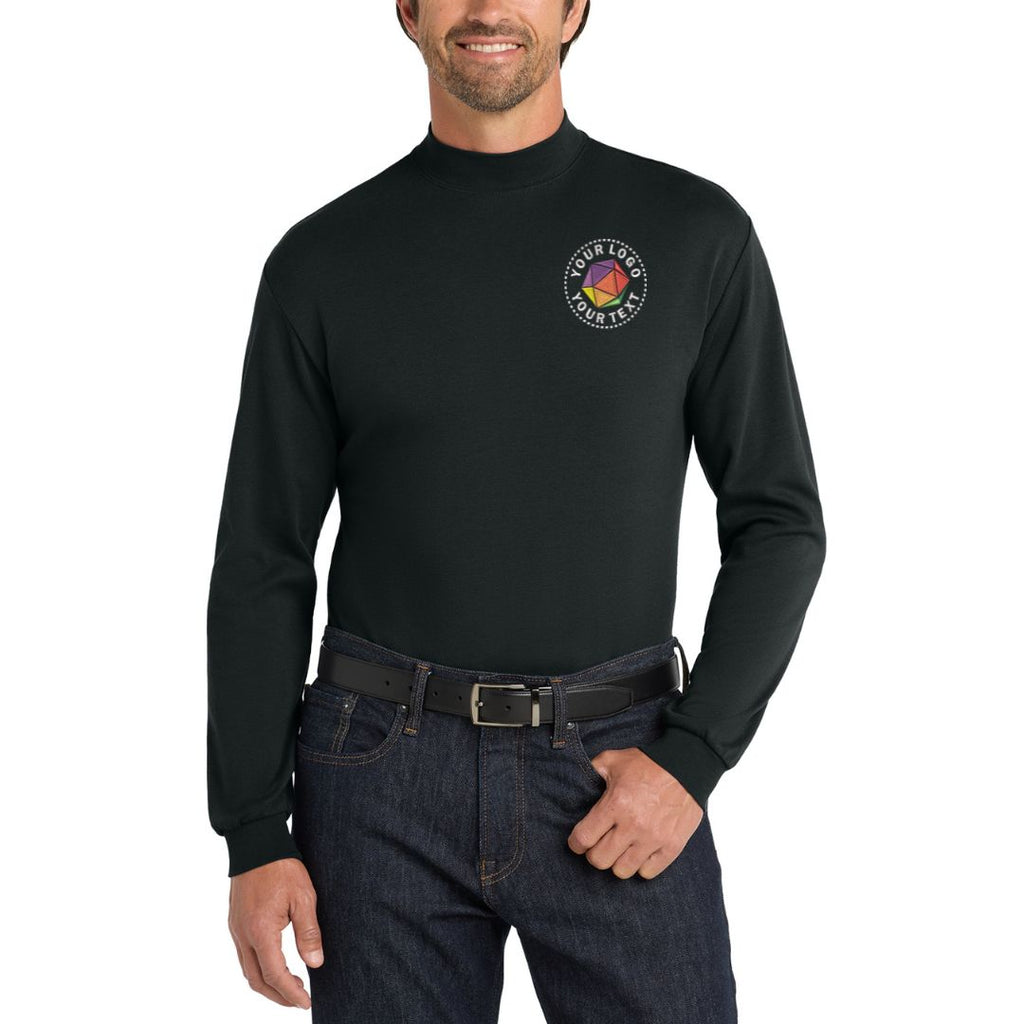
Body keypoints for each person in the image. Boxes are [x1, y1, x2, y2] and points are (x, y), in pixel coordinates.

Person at [206, 1, 827, 1020]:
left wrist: (691, 758)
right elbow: (262, 560)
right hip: (376, 781)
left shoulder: (693, 233)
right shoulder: (322, 261)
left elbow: (780, 522)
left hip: (617, 769)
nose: (487, 7)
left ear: (575, 7)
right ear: (408, 10)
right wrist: (253, 832)